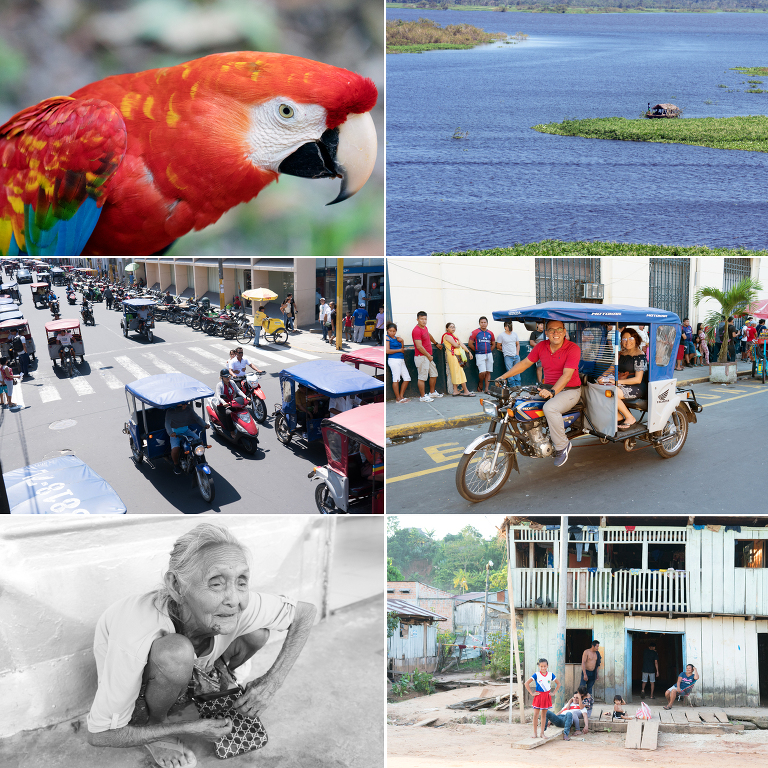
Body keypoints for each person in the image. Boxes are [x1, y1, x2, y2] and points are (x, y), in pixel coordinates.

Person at [85, 523, 315, 768]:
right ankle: (156, 723)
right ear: (176, 586)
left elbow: (305, 613)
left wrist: (272, 681)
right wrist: (191, 728)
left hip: (194, 665)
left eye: (241, 581)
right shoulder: (136, 628)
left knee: (257, 632)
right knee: (176, 651)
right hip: (147, 682)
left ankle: (211, 683)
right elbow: (98, 735)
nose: (234, 599)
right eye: (216, 583)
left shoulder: (236, 603)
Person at [496, 319, 581, 468]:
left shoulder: (572, 348)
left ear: (564, 331)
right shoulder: (542, 346)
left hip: (570, 390)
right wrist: (504, 376)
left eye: (559, 329)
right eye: (551, 330)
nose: (556, 333)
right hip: (546, 388)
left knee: (550, 408)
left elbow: (567, 375)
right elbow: (524, 364)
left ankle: (562, 446)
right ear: (546, 332)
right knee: (519, 404)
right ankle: (534, 438)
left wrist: (553, 391)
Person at [596, 328, 648, 431]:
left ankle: (630, 417)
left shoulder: (640, 356)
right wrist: (601, 377)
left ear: (636, 339)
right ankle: (618, 417)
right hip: (620, 383)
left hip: (636, 387)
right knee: (600, 390)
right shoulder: (620, 354)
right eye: (624, 339)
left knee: (611, 391)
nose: (627, 342)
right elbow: (611, 368)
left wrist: (616, 382)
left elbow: (638, 379)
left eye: (631, 338)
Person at [165, 402, 209, 475]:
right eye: (183, 404)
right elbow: (167, 423)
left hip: (186, 430)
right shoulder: (170, 411)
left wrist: (205, 425)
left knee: (200, 442)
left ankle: (200, 458)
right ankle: (176, 465)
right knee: (175, 449)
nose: (185, 405)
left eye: (186, 403)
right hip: (175, 433)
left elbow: (197, 418)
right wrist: (170, 433)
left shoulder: (188, 409)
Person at [525, 658, 561, 739]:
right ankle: (535, 733)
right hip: (538, 696)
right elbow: (526, 683)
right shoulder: (536, 674)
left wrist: (553, 693)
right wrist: (532, 693)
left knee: (544, 715)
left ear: (547, 666)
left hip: (546, 697)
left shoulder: (551, 675)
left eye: (545, 666)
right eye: (541, 666)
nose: (543, 668)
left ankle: (542, 733)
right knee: (535, 715)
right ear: (539, 666)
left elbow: (558, 683)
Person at [412, 311, 443, 403]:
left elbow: (428, 335)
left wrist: (436, 343)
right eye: (421, 319)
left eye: (425, 319)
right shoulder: (416, 330)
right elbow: (419, 346)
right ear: (417, 319)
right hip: (421, 357)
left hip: (428, 357)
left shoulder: (424, 328)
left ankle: (432, 392)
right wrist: (428, 355)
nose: (424, 321)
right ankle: (422, 396)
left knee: (434, 374)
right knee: (422, 377)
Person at [441, 322, 474, 397]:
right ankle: (466, 391)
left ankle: (455, 391)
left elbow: (461, 344)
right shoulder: (447, 336)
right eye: (451, 327)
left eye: (454, 327)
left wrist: (469, 352)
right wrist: (458, 345)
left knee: (455, 372)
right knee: (459, 372)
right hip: (453, 356)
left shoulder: (454, 336)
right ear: (447, 328)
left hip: (457, 356)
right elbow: (456, 345)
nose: (453, 328)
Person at [213, 369, 246, 441]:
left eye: (229, 376)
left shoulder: (232, 382)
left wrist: (246, 397)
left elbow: (238, 391)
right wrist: (223, 402)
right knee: (229, 413)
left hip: (232, 403)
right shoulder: (219, 385)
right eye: (226, 377)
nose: (228, 378)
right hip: (222, 405)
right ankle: (231, 431)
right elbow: (218, 396)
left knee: (242, 410)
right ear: (222, 377)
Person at [468, 317, 496, 394]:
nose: (483, 324)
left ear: (487, 323)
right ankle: (480, 383)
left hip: (489, 354)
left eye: (485, 322)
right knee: (482, 372)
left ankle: (487, 389)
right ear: (479, 323)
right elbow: (470, 344)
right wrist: (478, 351)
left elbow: (493, 344)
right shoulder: (475, 332)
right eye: (482, 322)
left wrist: (489, 351)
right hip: (480, 355)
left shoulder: (490, 333)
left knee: (488, 372)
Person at [386, 324, 411, 404]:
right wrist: (399, 350)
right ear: (387, 330)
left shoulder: (397, 338)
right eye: (390, 331)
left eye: (394, 331)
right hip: (393, 360)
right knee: (396, 379)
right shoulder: (387, 338)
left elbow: (402, 349)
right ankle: (398, 398)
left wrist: (402, 341)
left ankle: (401, 396)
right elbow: (387, 351)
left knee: (407, 378)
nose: (392, 333)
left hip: (401, 359)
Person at [497, 320, 521, 386]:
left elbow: (517, 344)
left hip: (516, 356)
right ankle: (512, 385)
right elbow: (498, 346)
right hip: (507, 356)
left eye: (511, 326)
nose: (510, 327)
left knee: (518, 370)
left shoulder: (515, 334)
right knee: (510, 371)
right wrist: (505, 350)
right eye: (509, 326)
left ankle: (518, 385)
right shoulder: (501, 335)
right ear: (505, 327)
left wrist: (517, 353)